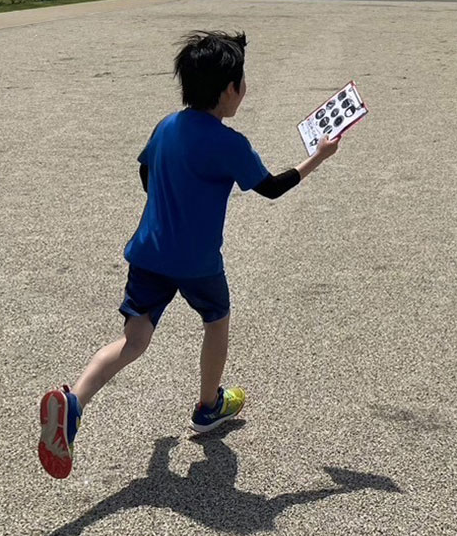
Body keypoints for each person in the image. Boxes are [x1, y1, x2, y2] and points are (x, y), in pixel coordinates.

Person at [36, 31, 341, 480]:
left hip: (150, 252)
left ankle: (74, 402)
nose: (245, 89)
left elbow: (146, 171)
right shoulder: (229, 143)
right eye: (242, 81)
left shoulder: (166, 126)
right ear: (229, 90)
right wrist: (319, 156)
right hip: (198, 263)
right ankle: (208, 405)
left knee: (134, 341)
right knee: (216, 320)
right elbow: (271, 188)